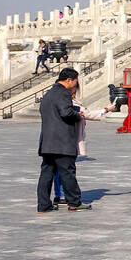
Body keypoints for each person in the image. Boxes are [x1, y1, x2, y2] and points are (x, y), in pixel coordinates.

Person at [37, 68, 89, 212]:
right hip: (62, 142)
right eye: (75, 82)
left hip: (47, 142)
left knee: (46, 173)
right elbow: (66, 112)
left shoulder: (49, 93)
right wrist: (78, 115)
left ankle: (43, 205)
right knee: (67, 173)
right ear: (69, 80)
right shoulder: (64, 93)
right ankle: (74, 202)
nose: (75, 85)